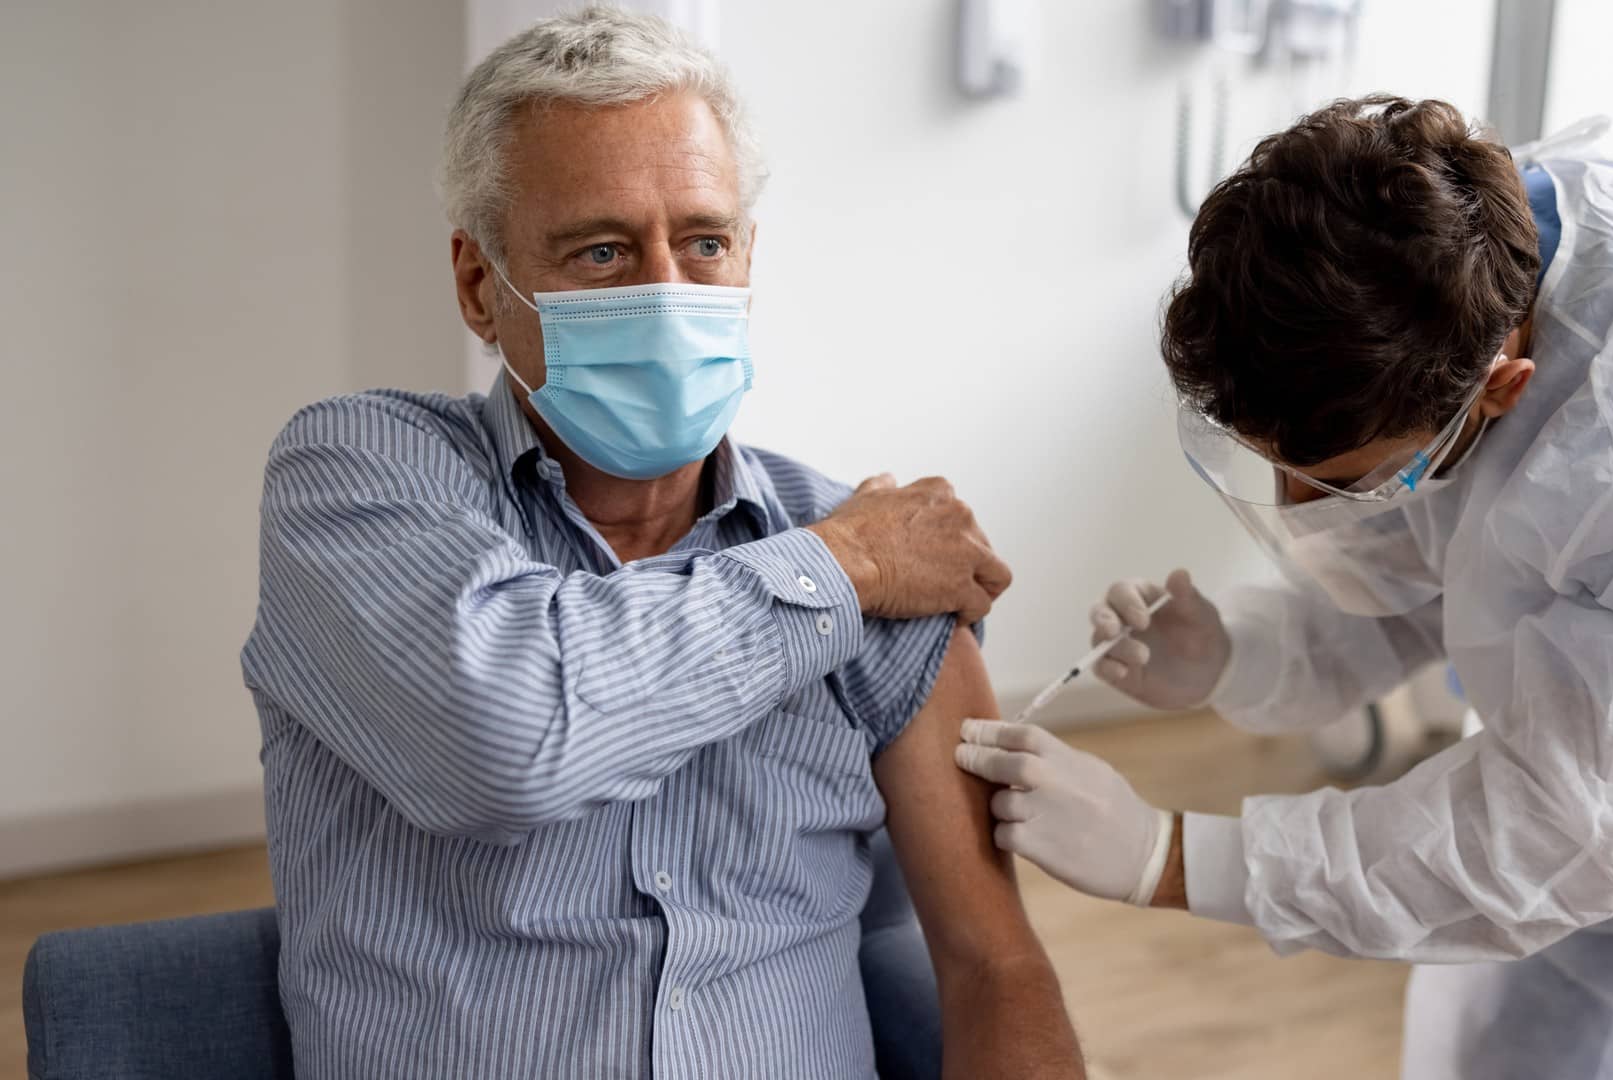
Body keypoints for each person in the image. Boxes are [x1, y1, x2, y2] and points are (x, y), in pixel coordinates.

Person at [957, 95, 1613, 1079]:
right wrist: (1239, 650)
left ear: (1506, 385)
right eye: (1277, 466)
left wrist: (1169, 855)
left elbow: (1559, 835)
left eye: (1341, 476)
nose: (1298, 504)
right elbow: (1449, 568)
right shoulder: (1446, 261)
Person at [241, 9, 1081, 1078]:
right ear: (478, 287)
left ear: (747, 257)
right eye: (601, 251)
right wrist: (846, 569)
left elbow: (995, 969)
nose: (668, 294)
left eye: (703, 242)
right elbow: (507, 741)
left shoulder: (868, 551)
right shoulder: (359, 472)